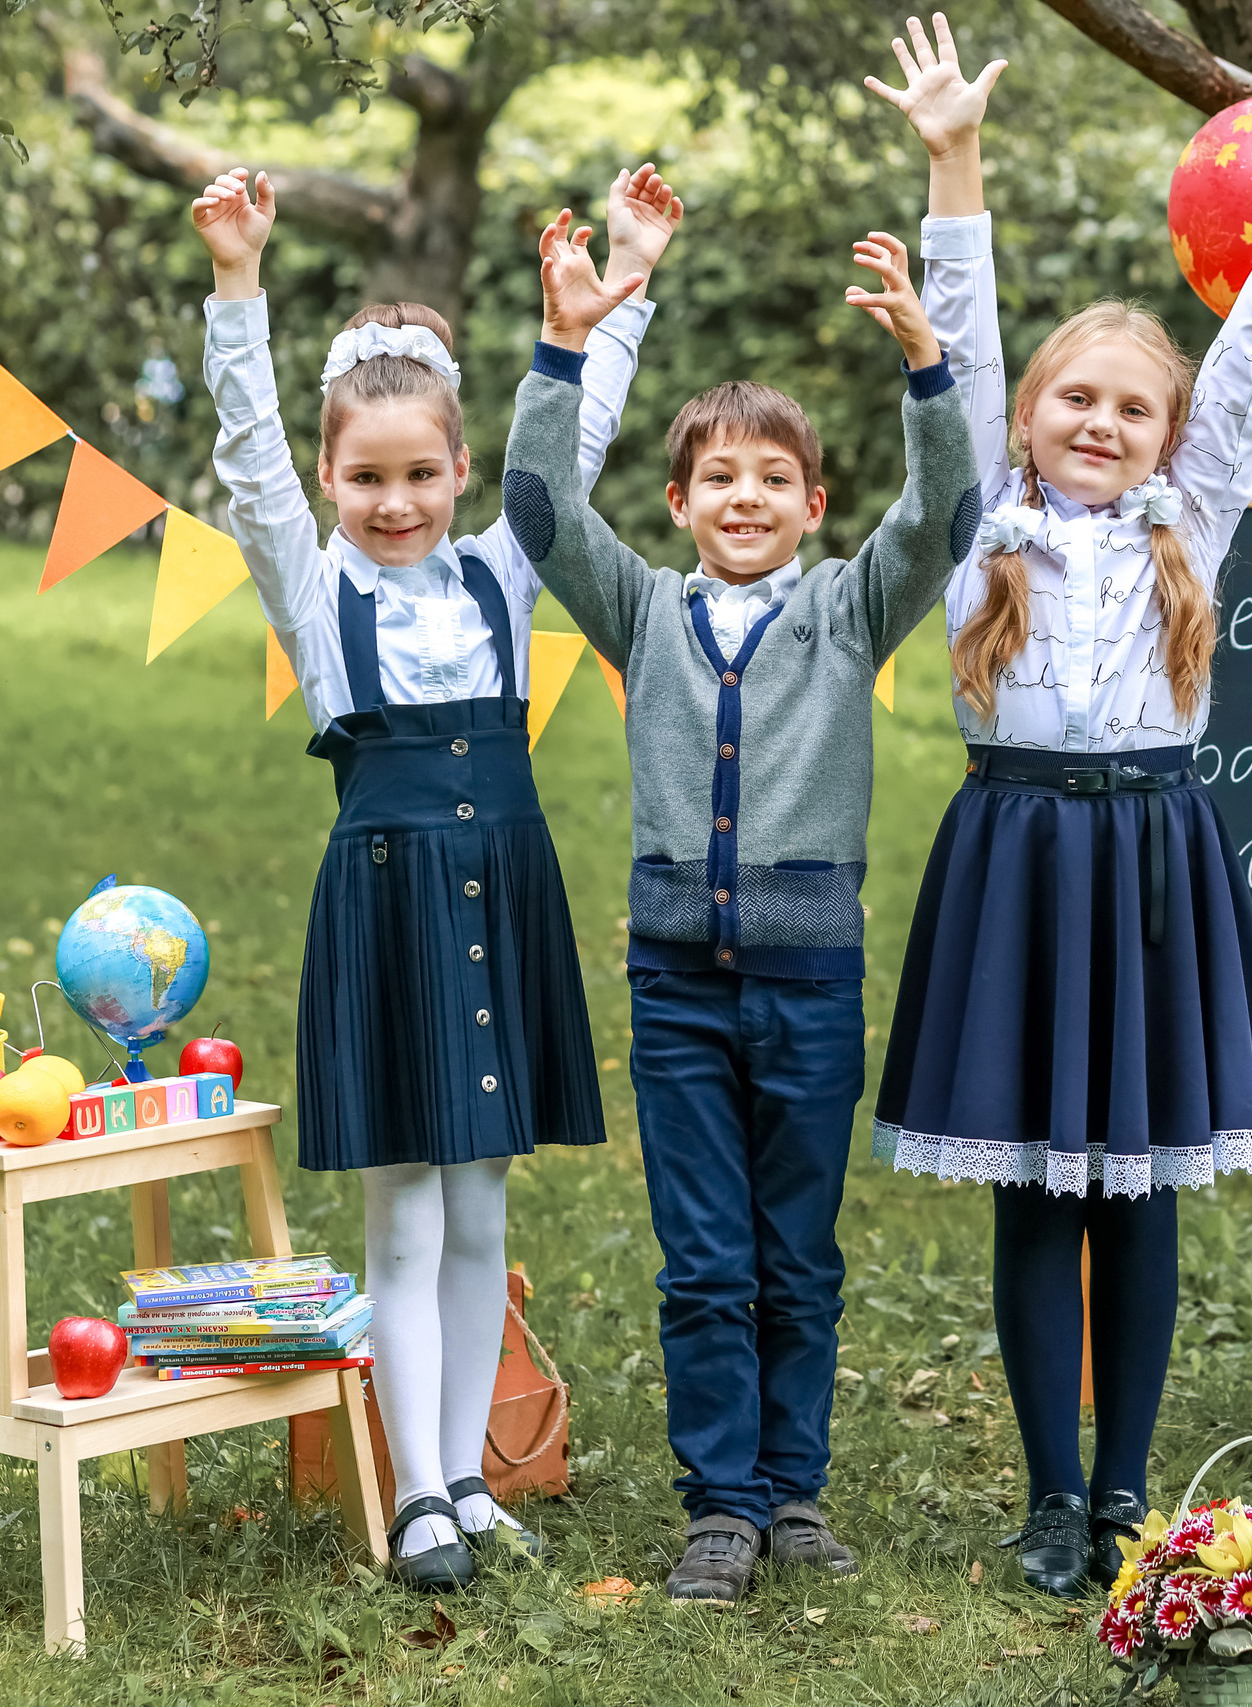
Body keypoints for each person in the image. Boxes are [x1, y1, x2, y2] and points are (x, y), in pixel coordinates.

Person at [863, 14, 1252, 1600]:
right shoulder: (982, 516)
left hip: (1152, 858)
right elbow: (966, 334)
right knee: (1030, 1182)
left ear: (1166, 438)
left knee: (1134, 1185)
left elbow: (1249, 361)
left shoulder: (1188, 520)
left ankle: (1131, 1484)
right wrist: (954, 157)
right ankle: (1050, 1493)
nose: (1098, 420)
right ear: (1025, 418)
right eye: (1073, 398)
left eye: (1129, 408)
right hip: (1015, 857)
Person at [190, 160, 682, 1592]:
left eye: (419, 475)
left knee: (482, 1207)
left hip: (502, 886)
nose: (393, 501)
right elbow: (247, 462)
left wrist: (616, 298)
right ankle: (412, 1490)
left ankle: (470, 1473)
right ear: (332, 475)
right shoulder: (314, 582)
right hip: (394, 900)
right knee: (403, 1206)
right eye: (365, 477)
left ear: (462, 471)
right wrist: (239, 284)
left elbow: (570, 446)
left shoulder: (501, 571)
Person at [495, 177, 980, 1602]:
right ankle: (721, 1501)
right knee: (706, 1255)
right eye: (720, 478)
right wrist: (562, 348)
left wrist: (927, 367)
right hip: (678, 985)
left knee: (797, 1249)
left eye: (774, 480)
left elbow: (948, 511)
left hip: (811, 978)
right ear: (680, 500)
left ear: (813, 504)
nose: (747, 498)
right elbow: (531, 506)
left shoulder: (846, 607)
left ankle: (795, 1486)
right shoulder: (640, 607)